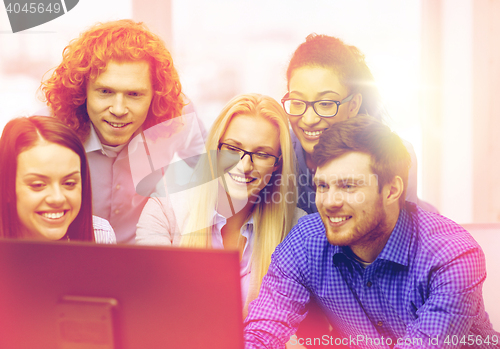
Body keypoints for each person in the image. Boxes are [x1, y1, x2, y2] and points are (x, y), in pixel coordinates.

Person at [244, 116, 498, 349]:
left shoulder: (453, 255)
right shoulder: (306, 242)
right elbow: (262, 332)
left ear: (391, 190)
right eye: (323, 185)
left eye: (348, 185)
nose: (330, 202)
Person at [136, 94, 305, 316]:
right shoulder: (165, 209)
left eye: (262, 154)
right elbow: (151, 308)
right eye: (233, 149)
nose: (244, 166)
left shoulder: (297, 230)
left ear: (277, 164)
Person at [41, 19, 206, 243]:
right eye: (105, 91)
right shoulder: (49, 127)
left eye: (134, 94)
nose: (118, 110)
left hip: (145, 263)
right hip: (68, 260)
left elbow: (207, 185)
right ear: (83, 91)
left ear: (154, 96)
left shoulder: (178, 119)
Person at [282, 33, 430, 214]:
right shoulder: (277, 150)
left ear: (353, 105)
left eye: (326, 104)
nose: (309, 119)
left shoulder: (395, 154)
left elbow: (400, 234)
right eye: (297, 103)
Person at [0, 116, 115, 243]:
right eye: (38, 185)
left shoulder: (101, 237)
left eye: (69, 183)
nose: (58, 198)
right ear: (6, 188)